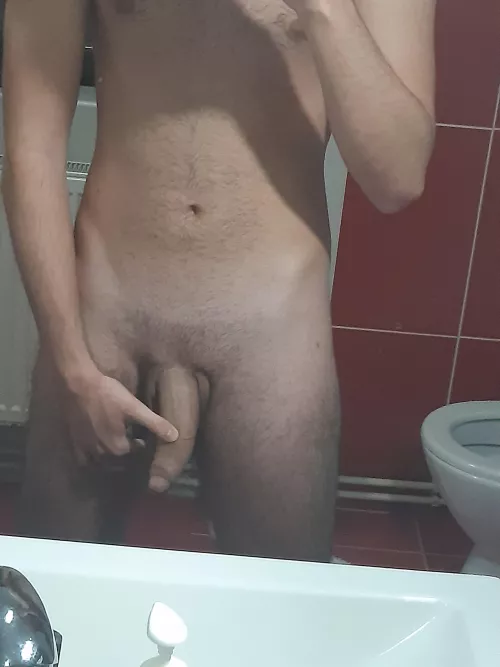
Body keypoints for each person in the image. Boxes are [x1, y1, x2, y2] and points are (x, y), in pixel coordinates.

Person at [2, 0, 435, 561]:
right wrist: (71, 363)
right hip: (106, 312)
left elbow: (398, 176)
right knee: (53, 584)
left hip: (271, 330)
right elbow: (31, 147)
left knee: (276, 598)